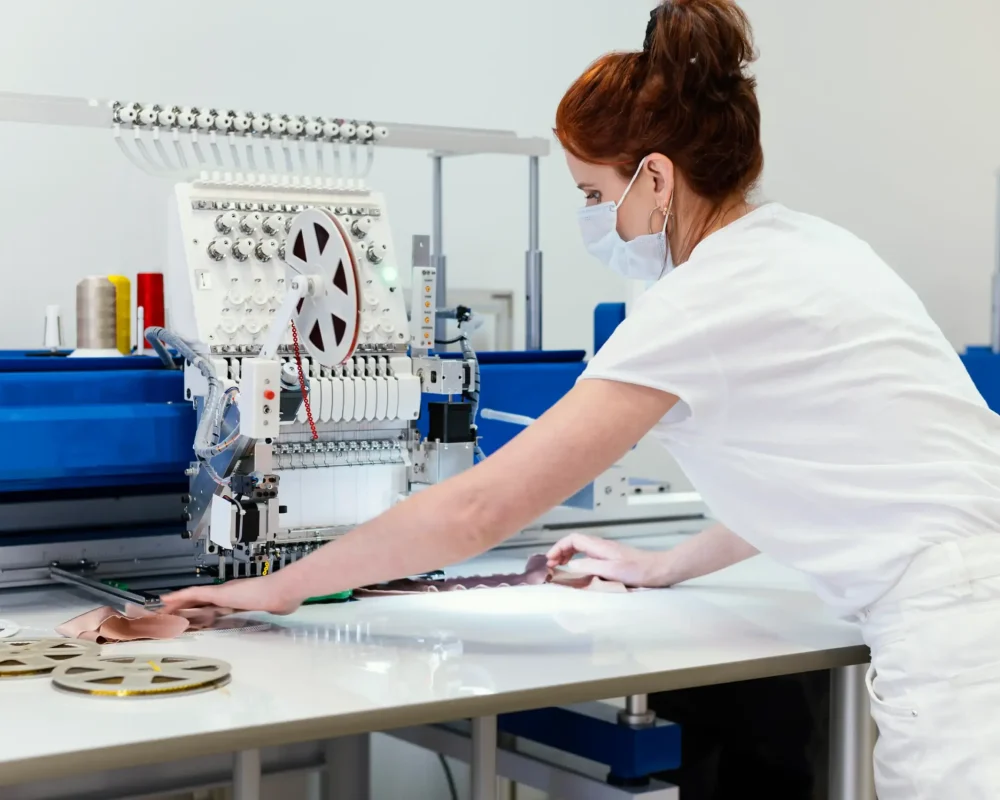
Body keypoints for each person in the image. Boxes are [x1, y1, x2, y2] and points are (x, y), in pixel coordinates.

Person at [163, 1, 1000, 796]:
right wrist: (665, 564)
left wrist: (276, 589)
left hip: (962, 635)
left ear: (658, 179)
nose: (596, 218)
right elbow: (830, 465)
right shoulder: (810, 247)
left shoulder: (701, 301)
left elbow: (478, 513)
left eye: (596, 196)